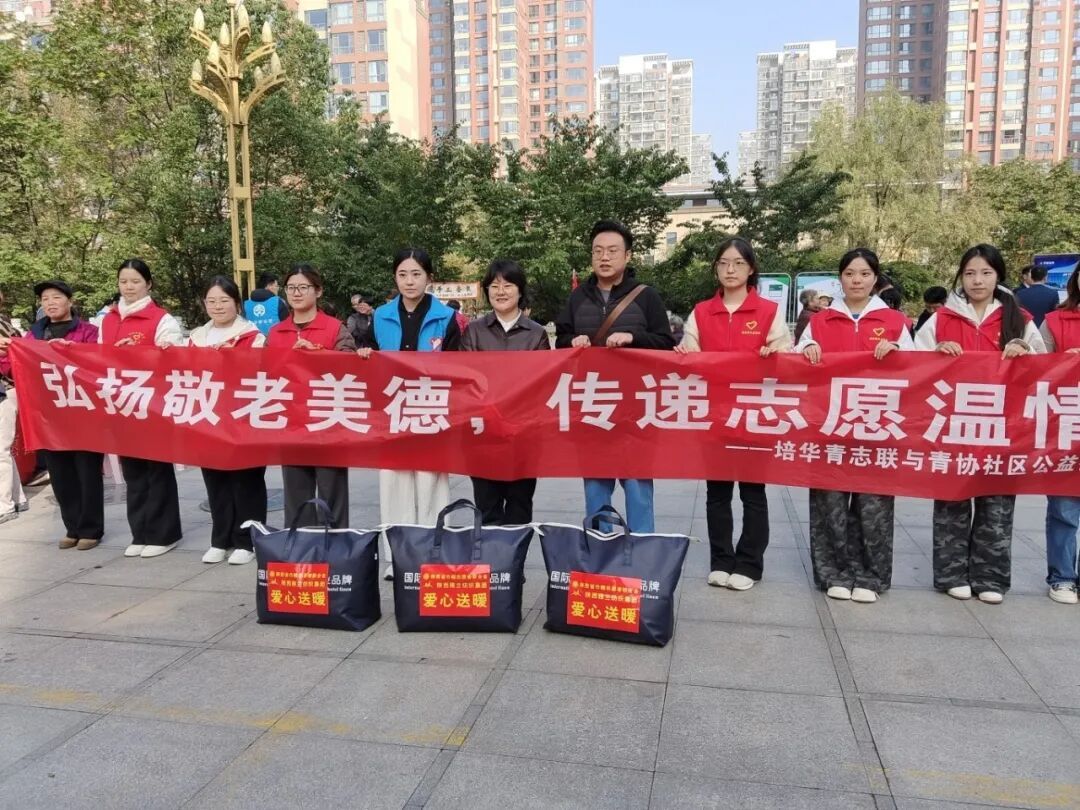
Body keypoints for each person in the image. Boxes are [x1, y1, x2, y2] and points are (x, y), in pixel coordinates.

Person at [914, 244, 1045, 604]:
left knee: (997, 504)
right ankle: (951, 574)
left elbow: (1044, 365)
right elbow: (913, 361)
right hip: (953, 425)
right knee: (952, 501)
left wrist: (1024, 351)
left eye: (986, 273)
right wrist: (936, 352)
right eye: (970, 273)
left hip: (1002, 427)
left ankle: (990, 577)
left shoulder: (1019, 318)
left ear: (998, 275)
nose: (977, 280)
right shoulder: (942, 319)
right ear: (961, 276)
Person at [796, 248, 914, 603]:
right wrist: (807, 349)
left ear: (875, 278)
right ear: (840, 278)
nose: (857, 280)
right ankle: (833, 573)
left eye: (864, 274)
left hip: (877, 427)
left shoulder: (895, 322)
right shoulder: (820, 321)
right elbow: (797, 359)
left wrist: (898, 352)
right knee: (829, 505)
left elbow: (917, 368)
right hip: (830, 426)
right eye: (849, 274)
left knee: (873, 506)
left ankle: (870, 575)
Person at [676, 237, 791, 591]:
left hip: (755, 415)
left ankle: (750, 563)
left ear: (751, 268)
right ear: (715, 269)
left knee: (753, 493)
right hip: (714, 417)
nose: (730, 269)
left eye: (738, 263)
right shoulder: (701, 312)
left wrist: (775, 353)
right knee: (717, 493)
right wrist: (684, 353)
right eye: (723, 263)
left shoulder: (768, 311)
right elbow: (690, 354)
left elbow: (787, 355)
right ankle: (721, 560)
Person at [554, 219, 675, 532]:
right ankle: (600, 549)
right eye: (598, 251)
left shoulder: (646, 296)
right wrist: (573, 341)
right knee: (596, 488)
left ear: (628, 255)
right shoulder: (577, 298)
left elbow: (665, 343)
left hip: (637, 409)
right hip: (593, 406)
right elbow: (561, 340)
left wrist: (633, 338)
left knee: (638, 488)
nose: (604, 257)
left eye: (612, 251)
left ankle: (642, 550)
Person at [359, 248, 460, 579]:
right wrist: (364, 353)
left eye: (416, 274)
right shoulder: (380, 316)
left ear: (429, 277)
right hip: (393, 411)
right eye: (402, 274)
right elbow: (365, 354)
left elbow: (459, 365)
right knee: (394, 483)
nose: (409, 281)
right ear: (395, 278)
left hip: (431, 410)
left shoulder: (446, 318)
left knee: (432, 484)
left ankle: (433, 553)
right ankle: (398, 557)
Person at [100, 259, 185, 558]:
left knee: (156, 469)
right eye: (123, 281)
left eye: (135, 281)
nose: (129, 287)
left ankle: (164, 534)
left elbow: (172, 359)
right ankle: (140, 532)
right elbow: (98, 357)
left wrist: (138, 353)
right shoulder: (108, 319)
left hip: (153, 404)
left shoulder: (162, 319)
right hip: (122, 403)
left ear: (148, 284)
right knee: (133, 471)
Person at [184, 276, 267, 565]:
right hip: (208, 416)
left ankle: (248, 539)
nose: (218, 306)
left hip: (243, 417)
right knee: (215, 480)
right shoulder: (196, 337)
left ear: (237, 303)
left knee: (246, 481)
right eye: (211, 301)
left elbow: (261, 374)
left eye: (224, 300)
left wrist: (234, 359)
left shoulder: (252, 336)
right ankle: (220, 538)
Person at [462, 259, 550, 525]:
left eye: (508, 285)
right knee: (487, 508)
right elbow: (467, 381)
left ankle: (515, 554)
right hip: (482, 436)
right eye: (494, 285)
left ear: (520, 291)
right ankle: (491, 553)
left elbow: (542, 385)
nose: (501, 292)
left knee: (519, 509)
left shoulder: (536, 334)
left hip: (523, 437)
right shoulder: (474, 331)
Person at [268, 264, 355, 529]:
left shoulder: (335, 328)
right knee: (296, 494)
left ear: (318, 291)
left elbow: (351, 368)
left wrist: (319, 356)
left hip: (328, 421)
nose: (296, 293)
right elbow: (264, 374)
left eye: (303, 287)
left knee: (332, 493)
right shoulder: (276, 332)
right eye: (291, 287)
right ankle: (301, 545)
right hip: (291, 424)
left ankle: (336, 544)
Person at [25, 280, 103, 549]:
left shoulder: (88, 332)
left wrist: (70, 352)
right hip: (49, 415)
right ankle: (72, 527)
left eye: (56, 297)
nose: (50, 303)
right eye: (45, 299)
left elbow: (97, 364)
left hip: (83, 412)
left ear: (70, 301)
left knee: (87, 471)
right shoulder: (33, 334)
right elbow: (15, 365)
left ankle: (91, 529)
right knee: (60, 474)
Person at [1040, 264, 1080, 604]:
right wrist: (1061, 363)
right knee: (1064, 509)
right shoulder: (1055, 321)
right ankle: (1063, 577)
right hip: (1066, 425)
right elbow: (1033, 370)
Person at [0, 289, 29, 524]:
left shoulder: (4, 326)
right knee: (3, 449)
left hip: (5, 390)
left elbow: (16, 350)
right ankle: (17, 498)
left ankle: (4, 505)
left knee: (1, 450)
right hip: (8, 390)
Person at [244, 271, 289, 336]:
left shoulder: (246, 305)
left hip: (253, 341)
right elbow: (287, 325)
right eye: (276, 286)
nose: (277, 289)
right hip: (275, 340)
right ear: (269, 286)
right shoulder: (279, 302)